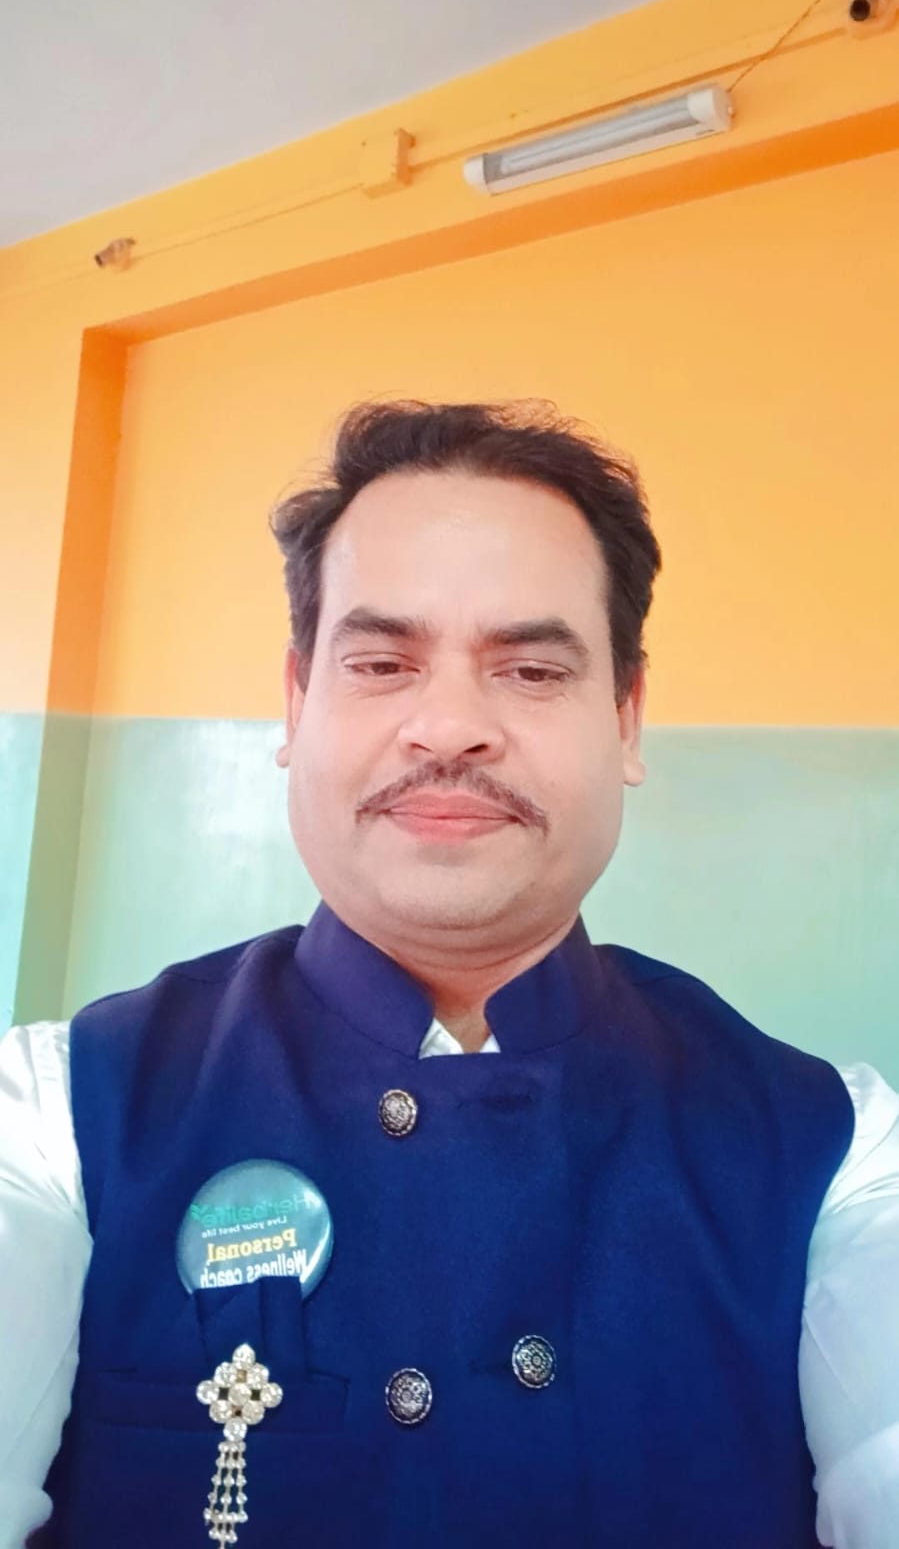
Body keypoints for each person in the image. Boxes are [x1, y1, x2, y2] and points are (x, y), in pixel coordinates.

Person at [0, 400, 896, 1549]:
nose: (448, 726)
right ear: (295, 702)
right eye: (382, 662)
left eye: (529, 669)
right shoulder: (57, 1117)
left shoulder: (836, 1152)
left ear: (625, 719)